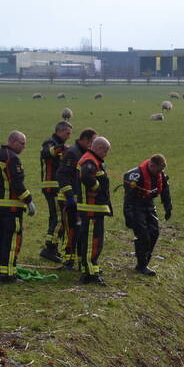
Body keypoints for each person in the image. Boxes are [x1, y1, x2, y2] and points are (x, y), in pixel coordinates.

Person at [0, 131, 35, 283]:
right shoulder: (12, 158)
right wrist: (29, 200)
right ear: (12, 141)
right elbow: (16, 184)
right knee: (11, 240)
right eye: (22, 143)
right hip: (11, 208)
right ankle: (8, 274)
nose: (24, 148)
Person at [122, 154, 172, 276]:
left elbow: (165, 191)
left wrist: (168, 207)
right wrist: (128, 215)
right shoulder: (135, 175)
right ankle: (141, 265)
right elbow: (128, 198)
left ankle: (145, 262)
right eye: (159, 170)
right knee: (143, 235)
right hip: (136, 206)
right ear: (151, 165)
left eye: (162, 170)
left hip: (149, 205)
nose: (160, 173)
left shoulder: (160, 175)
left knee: (154, 233)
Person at [55, 128, 97, 271]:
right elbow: (62, 175)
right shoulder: (73, 153)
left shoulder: (84, 153)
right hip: (68, 200)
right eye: (91, 143)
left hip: (79, 200)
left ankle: (78, 260)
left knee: (78, 230)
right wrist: (69, 197)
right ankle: (67, 261)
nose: (92, 146)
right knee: (70, 230)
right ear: (84, 140)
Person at [76, 136, 112, 285]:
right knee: (93, 241)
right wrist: (97, 188)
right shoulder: (90, 161)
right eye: (105, 151)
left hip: (93, 209)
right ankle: (90, 273)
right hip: (91, 209)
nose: (106, 154)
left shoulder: (92, 159)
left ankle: (90, 268)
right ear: (98, 148)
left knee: (91, 240)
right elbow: (85, 176)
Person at [39, 121, 73, 263]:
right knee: (58, 217)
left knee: (56, 216)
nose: (69, 136)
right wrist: (63, 148)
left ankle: (52, 247)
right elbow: (47, 153)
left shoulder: (57, 143)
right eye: (67, 133)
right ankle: (50, 248)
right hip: (52, 186)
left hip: (57, 185)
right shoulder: (49, 142)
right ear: (59, 131)